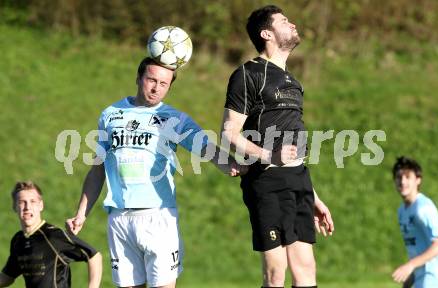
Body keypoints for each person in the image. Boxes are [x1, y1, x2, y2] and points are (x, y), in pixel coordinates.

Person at [66, 57, 244, 288]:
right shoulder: (110, 114)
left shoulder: (175, 119)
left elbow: (205, 147)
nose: (156, 88)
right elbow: (97, 168)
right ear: (139, 78)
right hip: (120, 219)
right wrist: (82, 213)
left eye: (163, 84)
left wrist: (232, 164)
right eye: (151, 80)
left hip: (158, 218)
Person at [221, 5, 334, 288]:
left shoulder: (293, 82)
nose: (293, 24)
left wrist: (314, 195)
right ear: (266, 33)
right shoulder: (248, 74)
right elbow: (229, 133)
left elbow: (294, 145)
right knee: (276, 273)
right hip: (267, 180)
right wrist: (269, 154)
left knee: (306, 269)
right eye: (284, 21)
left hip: (299, 181)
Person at [0, 181, 102, 288]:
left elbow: (94, 256)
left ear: (41, 205)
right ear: (14, 206)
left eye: (33, 201)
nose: (27, 207)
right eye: (22, 202)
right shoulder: (18, 240)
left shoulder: (53, 236)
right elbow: (7, 277)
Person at [391, 156, 438, 288]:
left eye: (407, 177)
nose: (402, 182)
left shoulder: (423, 207)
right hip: (420, 278)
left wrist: (410, 265)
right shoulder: (402, 211)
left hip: (433, 277)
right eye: (398, 177)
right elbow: (419, 251)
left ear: (418, 180)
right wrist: (409, 279)